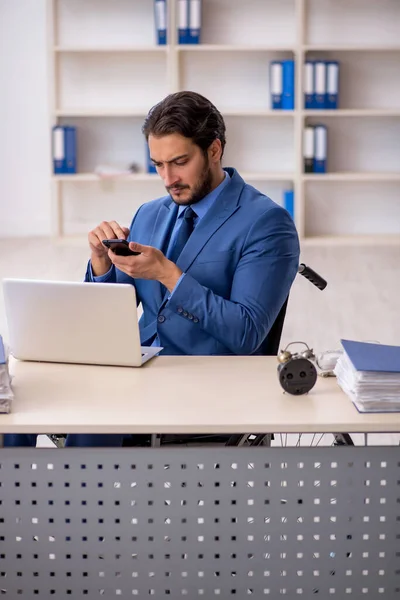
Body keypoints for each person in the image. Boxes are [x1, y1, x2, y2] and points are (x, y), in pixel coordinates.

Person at [4, 91, 299, 448]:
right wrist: (100, 263)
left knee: (90, 422)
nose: (167, 178)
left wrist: (168, 275)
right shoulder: (151, 213)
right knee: (15, 401)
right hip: (137, 366)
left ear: (215, 150)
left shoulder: (266, 223)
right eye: (158, 164)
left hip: (206, 382)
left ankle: (78, 500)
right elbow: (109, 317)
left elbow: (247, 332)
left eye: (179, 161)